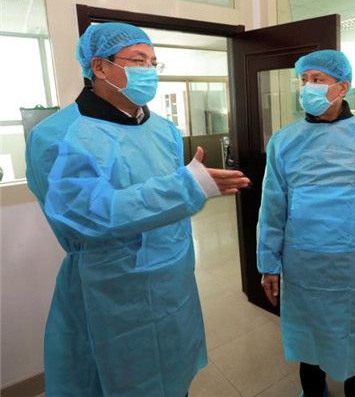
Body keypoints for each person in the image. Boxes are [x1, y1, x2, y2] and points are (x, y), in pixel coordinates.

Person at [26, 22, 251, 397]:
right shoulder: (57, 136)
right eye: (137, 60)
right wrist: (186, 187)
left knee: (174, 372)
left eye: (153, 62)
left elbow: (170, 209)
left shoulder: (163, 130)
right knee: (123, 380)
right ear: (99, 67)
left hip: (173, 281)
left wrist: (188, 189)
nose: (149, 70)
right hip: (113, 290)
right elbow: (86, 217)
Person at [257, 50, 355, 397]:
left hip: (351, 271)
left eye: (317, 79)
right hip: (302, 269)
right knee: (308, 340)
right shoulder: (284, 142)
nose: (307, 86)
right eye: (303, 79)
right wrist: (268, 264)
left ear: (342, 87)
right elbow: (273, 209)